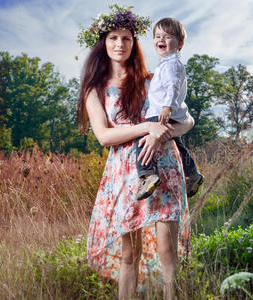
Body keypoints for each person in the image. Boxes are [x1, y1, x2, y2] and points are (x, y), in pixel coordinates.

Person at [76, 5, 192, 300]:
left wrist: (161, 134)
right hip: (126, 173)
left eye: (126, 38)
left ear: (134, 43)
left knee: (168, 249)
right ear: (103, 42)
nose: (120, 44)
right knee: (130, 252)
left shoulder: (151, 80)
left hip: (163, 163)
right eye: (113, 38)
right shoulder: (95, 89)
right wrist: (146, 129)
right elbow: (104, 136)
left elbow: (187, 120)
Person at [135, 17, 204, 201]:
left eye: (167, 36)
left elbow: (173, 86)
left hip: (162, 112)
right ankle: (192, 173)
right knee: (177, 143)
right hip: (170, 112)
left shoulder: (172, 64)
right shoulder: (166, 63)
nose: (161, 40)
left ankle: (147, 173)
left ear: (180, 43)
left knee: (141, 140)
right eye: (157, 36)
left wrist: (166, 107)